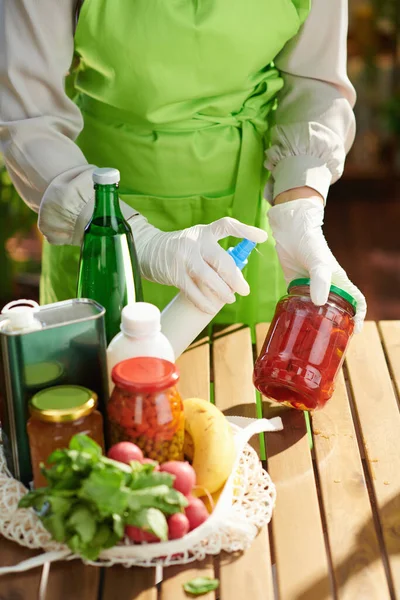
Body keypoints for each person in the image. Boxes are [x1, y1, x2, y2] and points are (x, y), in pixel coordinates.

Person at [0, 0, 366, 330]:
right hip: (98, 211)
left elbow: (315, 80)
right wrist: (131, 238)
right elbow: (29, 117)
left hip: (247, 220)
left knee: (247, 388)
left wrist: (298, 208)